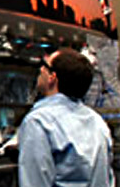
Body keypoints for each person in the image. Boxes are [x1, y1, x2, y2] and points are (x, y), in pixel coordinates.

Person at [18, 48, 114, 187]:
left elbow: (34, 182)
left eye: (44, 66)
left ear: (52, 77)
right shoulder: (97, 122)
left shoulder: (39, 122)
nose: (40, 70)